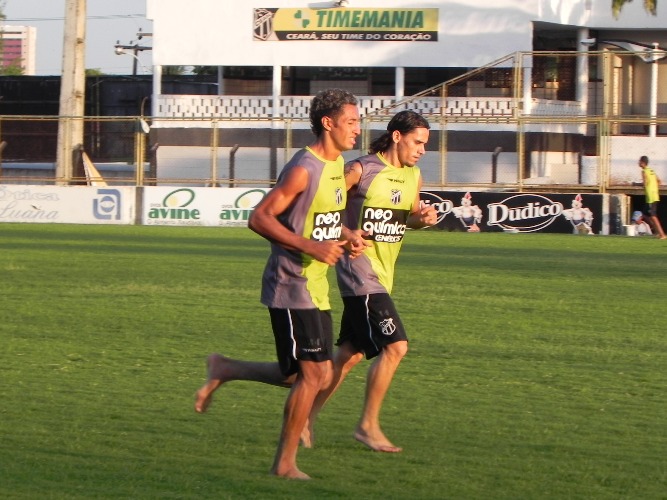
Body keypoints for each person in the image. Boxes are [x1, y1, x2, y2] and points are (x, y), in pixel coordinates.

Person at [194, 88, 366, 480]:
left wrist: (346, 234)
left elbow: (317, 216)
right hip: (291, 285)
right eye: (352, 121)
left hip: (316, 283)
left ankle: (226, 367)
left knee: (308, 374)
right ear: (328, 122)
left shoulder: (338, 165)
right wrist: (310, 247)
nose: (358, 128)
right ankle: (284, 464)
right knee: (311, 376)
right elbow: (260, 218)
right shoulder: (303, 167)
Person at [302, 110, 437, 453]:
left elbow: (408, 221)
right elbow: (317, 204)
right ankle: (367, 426)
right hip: (359, 272)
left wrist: (422, 219)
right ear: (396, 137)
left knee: (349, 355)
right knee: (396, 346)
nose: (422, 150)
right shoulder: (360, 170)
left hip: (383, 276)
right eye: (417, 142)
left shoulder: (414, 176)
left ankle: (304, 419)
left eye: (425, 145)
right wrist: (346, 232)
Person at [638, 155, 666, 240]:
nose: (638, 163)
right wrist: (654, 188)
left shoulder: (644, 171)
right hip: (654, 195)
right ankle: (657, 232)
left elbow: (645, 184)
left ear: (643, 163)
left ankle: (662, 234)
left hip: (650, 196)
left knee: (653, 216)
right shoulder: (651, 171)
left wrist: (637, 184)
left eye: (639, 161)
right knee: (644, 214)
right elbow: (659, 181)